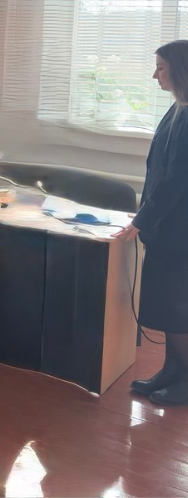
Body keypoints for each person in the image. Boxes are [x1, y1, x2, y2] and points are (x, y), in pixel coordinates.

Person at [118, 40, 188, 406]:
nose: (154, 75)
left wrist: (144, 217)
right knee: (167, 306)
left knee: (177, 309)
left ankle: (185, 380)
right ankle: (171, 371)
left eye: (161, 68)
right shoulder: (178, 107)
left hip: (181, 234)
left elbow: (177, 179)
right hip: (168, 229)